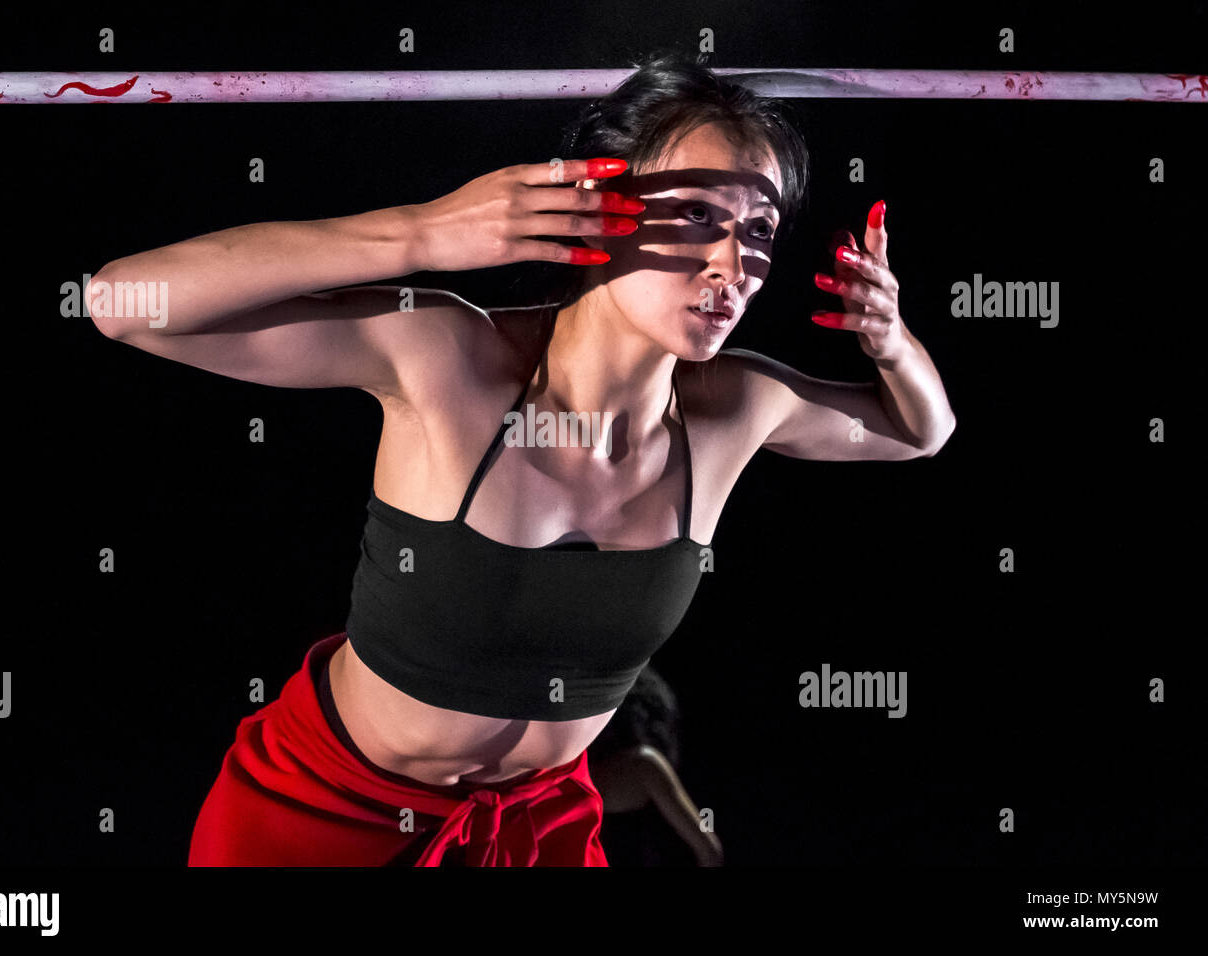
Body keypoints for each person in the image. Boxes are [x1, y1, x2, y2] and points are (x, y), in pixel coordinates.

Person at [86, 49, 956, 866]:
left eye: (759, 228)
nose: (736, 261)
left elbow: (922, 431)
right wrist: (419, 235)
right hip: (324, 814)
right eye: (696, 213)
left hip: (534, 827)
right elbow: (122, 303)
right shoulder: (449, 360)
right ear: (598, 203)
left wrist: (890, 339)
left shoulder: (738, 408)